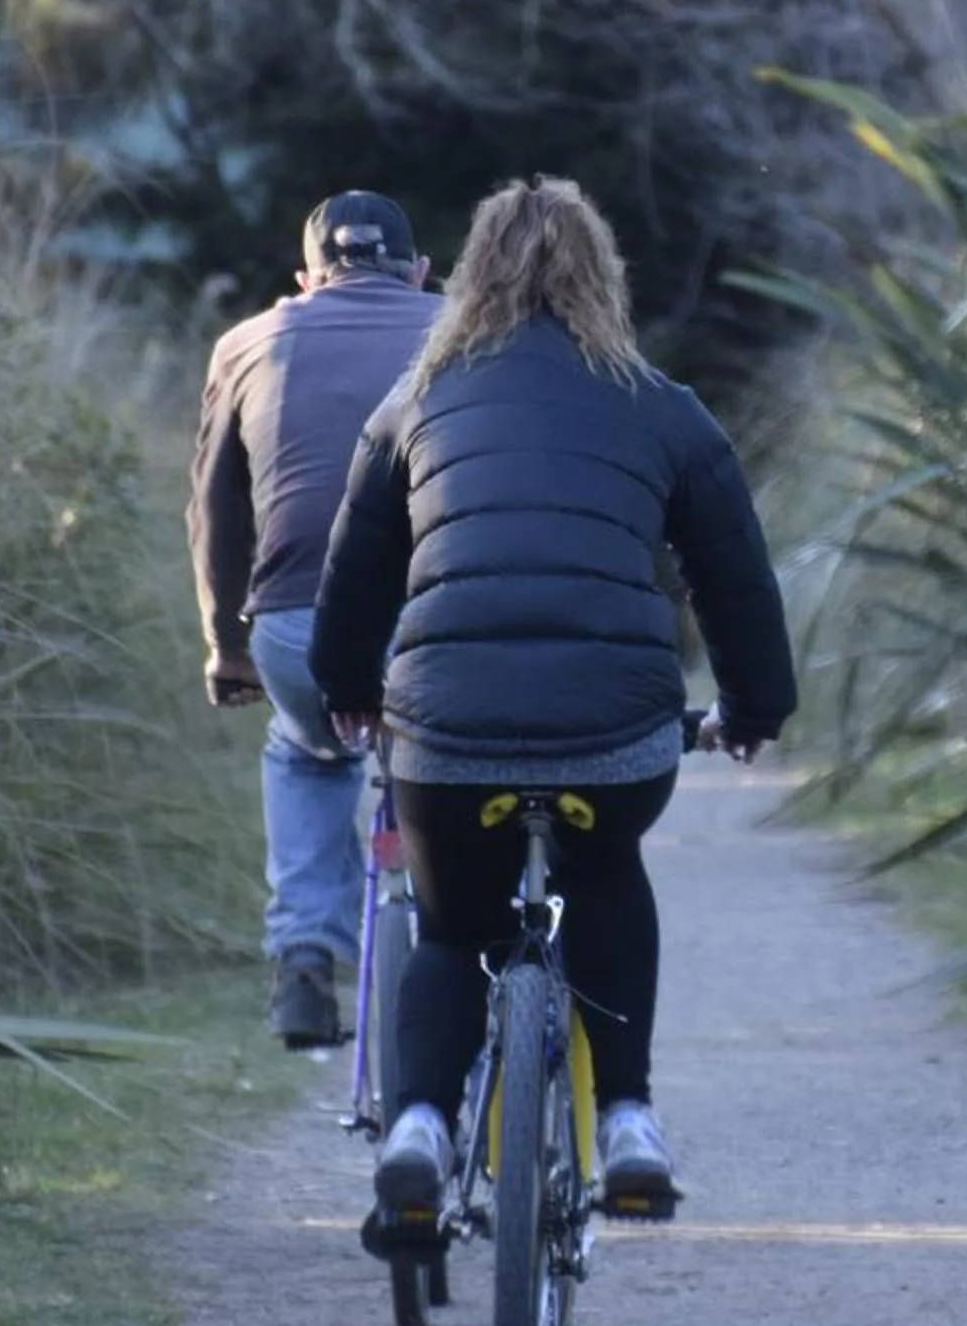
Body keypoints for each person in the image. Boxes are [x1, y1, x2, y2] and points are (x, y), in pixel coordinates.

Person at [310, 174, 796, 1212]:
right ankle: (628, 1118)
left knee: (452, 928)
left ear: (468, 277)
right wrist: (752, 708)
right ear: (604, 276)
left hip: (445, 732)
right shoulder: (664, 406)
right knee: (607, 866)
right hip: (612, 728)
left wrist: (350, 689)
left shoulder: (415, 402)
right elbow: (736, 580)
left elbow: (355, 571)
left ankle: (418, 1125)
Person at [189, 190, 440, 1048]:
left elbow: (216, 513)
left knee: (307, 750)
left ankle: (302, 960)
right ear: (419, 273)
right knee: (469, 762)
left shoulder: (249, 341)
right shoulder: (467, 335)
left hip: (300, 626)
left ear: (304, 279)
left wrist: (228, 648)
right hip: (448, 622)